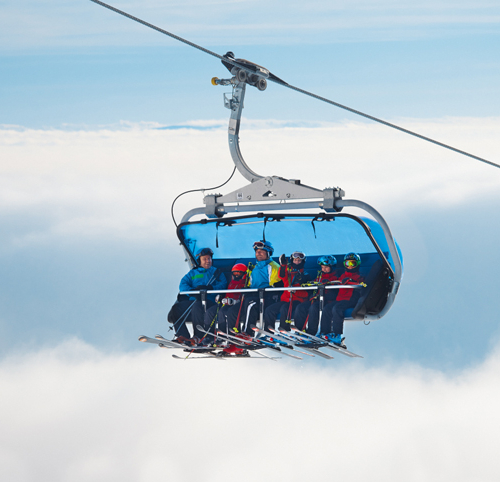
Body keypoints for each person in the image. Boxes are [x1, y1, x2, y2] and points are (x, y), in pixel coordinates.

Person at [167, 247, 227, 343]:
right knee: (176, 309)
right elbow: (183, 284)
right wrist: (192, 291)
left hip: (209, 301)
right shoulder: (192, 273)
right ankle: (182, 336)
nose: (208, 261)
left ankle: (198, 336)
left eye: (209, 259)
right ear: (199, 261)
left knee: (197, 306)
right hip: (194, 300)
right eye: (205, 259)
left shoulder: (216, 273)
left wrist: (211, 288)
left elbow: (223, 285)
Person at [226, 240, 280, 335]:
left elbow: (274, 286)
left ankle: (247, 333)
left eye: (261, 251)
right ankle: (233, 336)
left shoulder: (273, 266)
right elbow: (250, 284)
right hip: (253, 297)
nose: (258, 253)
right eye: (257, 251)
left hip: (266, 298)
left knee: (250, 304)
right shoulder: (254, 268)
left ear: (268, 253)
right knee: (232, 311)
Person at [320, 252, 365, 346]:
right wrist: (328, 283)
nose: (350, 266)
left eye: (353, 263)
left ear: (357, 264)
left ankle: (337, 335)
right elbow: (337, 282)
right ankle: (325, 332)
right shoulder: (342, 276)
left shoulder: (359, 276)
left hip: (350, 300)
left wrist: (351, 281)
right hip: (340, 299)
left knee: (337, 309)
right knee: (327, 308)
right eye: (348, 263)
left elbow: (361, 284)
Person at [263, 251, 310, 332]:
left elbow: (307, 293)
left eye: (299, 261)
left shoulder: (305, 275)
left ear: (303, 262)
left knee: (285, 308)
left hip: (298, 301)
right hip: (286, 300)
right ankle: (268, 332)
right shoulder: (288, 273)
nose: (297, 262)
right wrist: (283, 265)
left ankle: (284, 330)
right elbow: (281, 275)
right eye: (295, 260)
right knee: (269, 310)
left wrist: (295, 291)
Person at [293, 255, 339, 335]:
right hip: (316, 299)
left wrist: (328, 285)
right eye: (322, 267)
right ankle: (299, 330)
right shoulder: (320, 276)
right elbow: (314, 283)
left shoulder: (335, 277)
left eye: (326, 267)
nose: (324, 269)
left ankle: (312, 332)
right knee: (301, 307)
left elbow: (335, 290)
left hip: (327, 301)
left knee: (314, 308)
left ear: (332, 267)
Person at [202, 263, 247, 344]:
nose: (237, 275)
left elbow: (245, 296)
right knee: (210, 312)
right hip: (226, 303)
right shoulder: (231, 282)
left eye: (239, 273)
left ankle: (224, 336)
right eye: (235, 273)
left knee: (223, 312)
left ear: (244, 274)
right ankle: (209, 336)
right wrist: (220, 297)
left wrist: (234, 301)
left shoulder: (245, 284)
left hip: (236, 305)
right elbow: (227, 293)